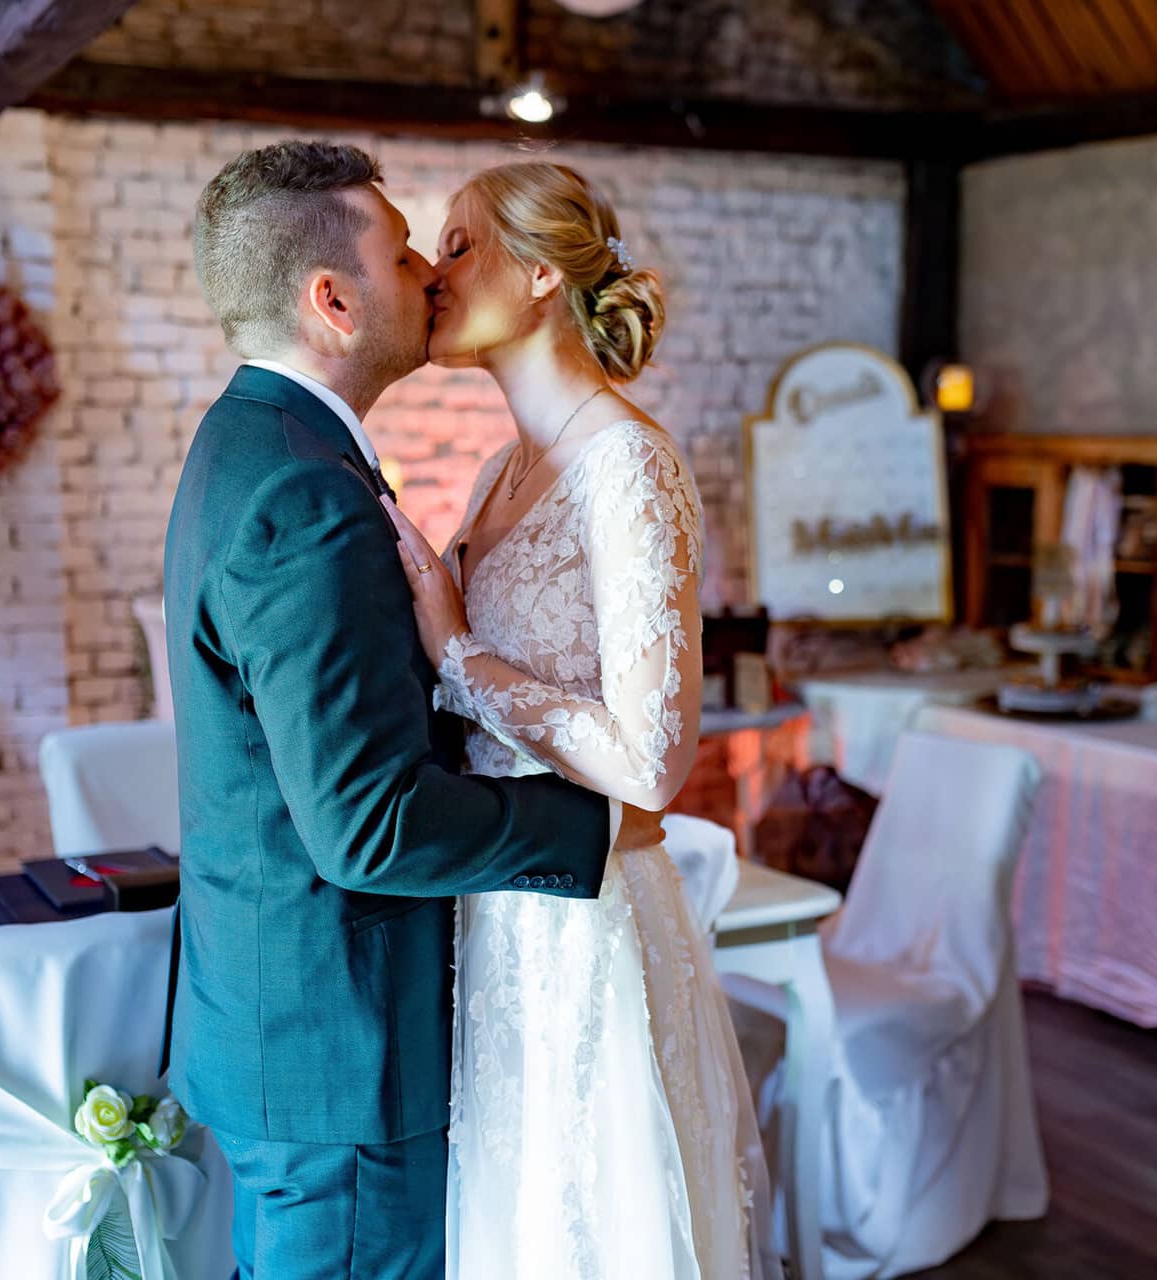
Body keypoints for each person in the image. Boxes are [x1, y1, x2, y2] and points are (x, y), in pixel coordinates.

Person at [161, 141, 617, 1280]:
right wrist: (593, 826)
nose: (428, 272)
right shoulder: (305, 490)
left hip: (287, 1026)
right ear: (332, 299)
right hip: (339, 1052)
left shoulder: (252, 443)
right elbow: (368, 822)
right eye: (404, 248)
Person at [384, 160, 778, 1280]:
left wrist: (459, 650)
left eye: (461, 245)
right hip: (492, 914)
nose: (434, 269)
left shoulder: (630, 467)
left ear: (544, 271)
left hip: (587, 921)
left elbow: (652, 760)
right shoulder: (504, 472)